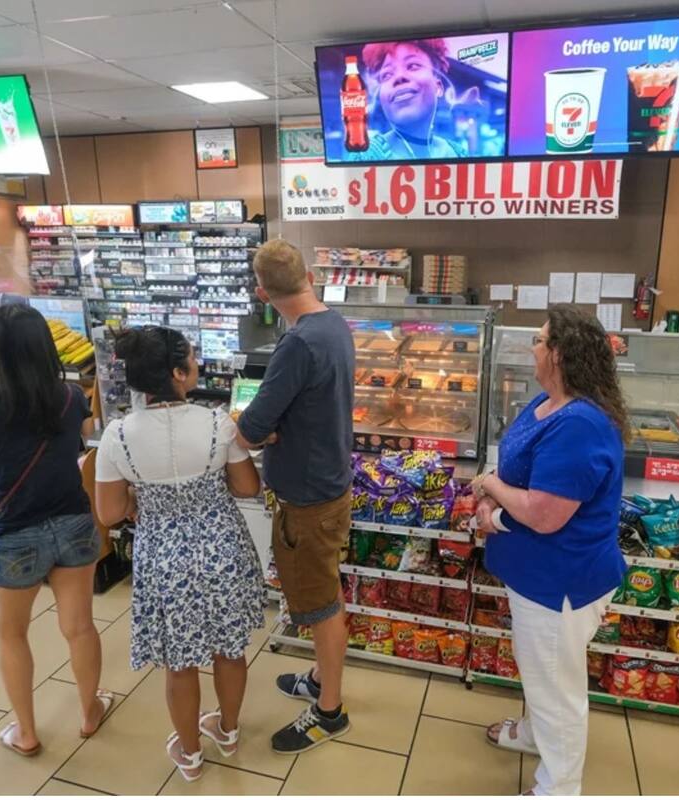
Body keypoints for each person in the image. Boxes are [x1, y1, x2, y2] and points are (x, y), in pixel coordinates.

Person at [95, 326, 264, 782]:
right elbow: (248, 487)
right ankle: (227, 732)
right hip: (221, 546)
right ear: (177, 373)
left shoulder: (117, 436)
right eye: (191, 358)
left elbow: (109, 512)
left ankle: (188, 754)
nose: (196, 364)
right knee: (230, 648)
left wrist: (140, 501)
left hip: (163, 556)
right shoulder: (216, 422)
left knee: (179, 661)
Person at [472, 305, 627, 796]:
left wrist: (491, 487)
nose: (532, 348)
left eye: (539, 341)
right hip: (536, 575)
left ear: (558, 355)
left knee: (558, 691)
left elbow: (544, 514)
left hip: (561, 583)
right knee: (541, 674)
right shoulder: (549, 403)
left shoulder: (580, 424)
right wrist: (493, 511)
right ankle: (535, 734)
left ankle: (558, 787)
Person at [0, 305, 109, 758]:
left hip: (13, 533)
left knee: (12, 634)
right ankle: (88, 712)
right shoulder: (68, 396)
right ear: (45, 347)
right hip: (75, 523)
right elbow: (82, 435)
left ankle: (26, 731)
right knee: (80, 627)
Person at [235, 239, 356, 754]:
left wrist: (260, 427)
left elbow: (252, 427)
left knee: (321, 605)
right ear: (307, 274)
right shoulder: (334, 323)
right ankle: (319, 679)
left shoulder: (297, 343)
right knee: (325, 590)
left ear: (263, 292)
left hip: (307, 499)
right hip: (330, 482)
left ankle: (329, 711)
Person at [349, 39, 467, 161]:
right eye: (387, 74)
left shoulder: (458, 153)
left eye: (413, 66)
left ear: (438, 87)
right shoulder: (365, 156)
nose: (399, 77)